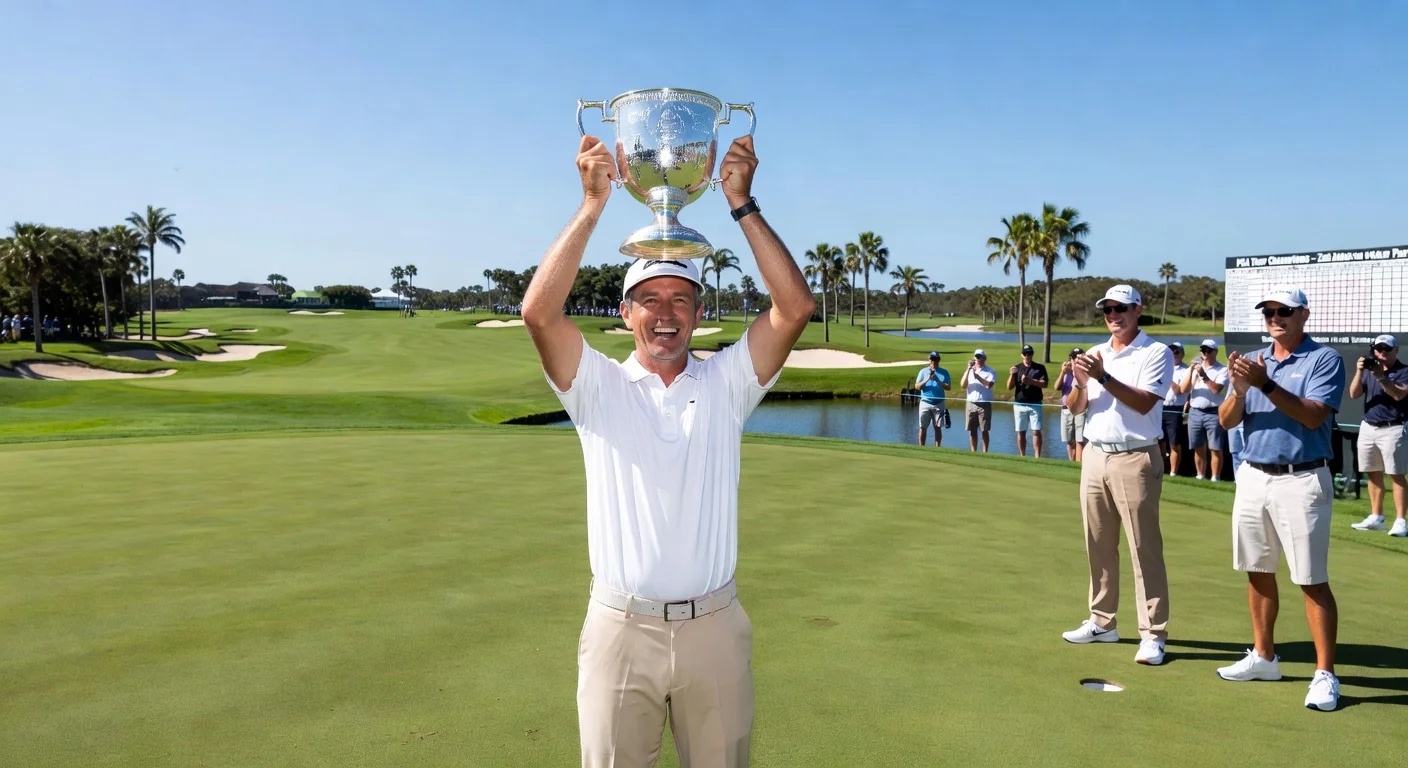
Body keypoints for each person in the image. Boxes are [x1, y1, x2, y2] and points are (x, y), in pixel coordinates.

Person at [522, 133, 814, 765]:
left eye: (680, 298)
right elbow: (540, 314)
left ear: (698, 312)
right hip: (620, 630)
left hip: (713, 628)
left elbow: (793, 309)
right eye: (649, 299)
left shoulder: (727, 382)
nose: (664, 313)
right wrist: (593, 205)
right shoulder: (597, 386)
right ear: (626, 313)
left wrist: (741, 202)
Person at [1215, 286, 1345, 712]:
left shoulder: (1323, 359)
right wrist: (1237, 389)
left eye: (1284, 311)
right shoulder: (1253, 362)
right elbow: (1227, 419)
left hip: (1302, 478)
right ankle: (1264, 656)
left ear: (1303, 314)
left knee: (1311, 579)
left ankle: (1325, 673)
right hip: (1253, 475)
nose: (1275, 317)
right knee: (1257, 569)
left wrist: (1264, 383)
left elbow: (1312, 415)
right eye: (1269, 311)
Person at [1061, 284, 1173, 666]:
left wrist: (1103, 377)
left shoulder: (1155, 353)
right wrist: (1079, 382)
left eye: (1121, 308)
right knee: (1098, 544)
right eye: (1107, 309)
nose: (1113, 315)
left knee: (1144, 549)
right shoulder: (1094, 353)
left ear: (1138, 309)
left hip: (1136, 457)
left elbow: (1144, 404)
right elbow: (1076, 408)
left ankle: (1154, 633)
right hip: (1094, 455)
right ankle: (1102, 621)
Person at [1347, 334, 1408, 537]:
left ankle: (1400, 521)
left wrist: (1381, 376)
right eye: (1378, 348)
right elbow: (1354, 394)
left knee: (1396, 475)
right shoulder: (1369, 370)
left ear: (1395, 351)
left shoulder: (1404, 371)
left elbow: (1398, 394)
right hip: (1368, 426)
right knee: (1373, 472)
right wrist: (1359, 371)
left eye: (1386, 349)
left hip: (1393, 427)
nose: (1382, 352)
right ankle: (1377, 517)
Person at [1184, 339, 1230, 480]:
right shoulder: (1194, 369)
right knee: (1197, 446)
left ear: (1215, 352)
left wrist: (1203, 375)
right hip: (1195, 411)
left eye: (1209, 350)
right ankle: (1200, 475)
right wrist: (1191, 371)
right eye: (1203, 350)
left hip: (1213, 412)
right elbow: (1184, 389)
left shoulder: (1222, 370)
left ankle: (1215, 477)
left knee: (1215, 447)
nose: (1205, 353)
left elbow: (1216, 390)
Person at [1008, 344, 1049, 457]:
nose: (1028, 356)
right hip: (1020, 404)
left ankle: (1037, 457)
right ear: (1022, 355)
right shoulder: (1017, 368)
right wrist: (1012, 375)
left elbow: (1044, 384)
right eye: (1025, 354)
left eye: (1030, 354)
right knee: (1021, 432)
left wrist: (1030, 381)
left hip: (1035, 404)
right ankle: (1022, 456)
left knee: (1036, 431)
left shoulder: (1040, 368)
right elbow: (1009, 387)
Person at [1160, 342, 1191, 475]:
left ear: (1182, 353)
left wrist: (1167, 376)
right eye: (1171, 352)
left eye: (1177, 352)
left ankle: (1173, 472)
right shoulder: (1161, 367)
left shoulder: (1185, 370)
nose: (1174, 355)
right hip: (1160, 408)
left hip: (1175, 410)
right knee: (1160, 443)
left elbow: (1179, 391)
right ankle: (1161, 469)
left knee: (1174, 443)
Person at [960, 349, 996, 452]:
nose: (978, 359)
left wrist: (977, 376)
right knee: (972, 429)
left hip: (984, 403)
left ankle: (985, 451)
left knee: (984, 430)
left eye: (980, 357)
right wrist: (968, 370)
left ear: (984, 359)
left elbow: (989, 385)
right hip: (971, 403)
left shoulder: (990, 371)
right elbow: (963, 385)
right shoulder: (969, 371)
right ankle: (973, 451)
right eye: (977, 357)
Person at [915, 351, 951, 447]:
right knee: (923, 426)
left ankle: (937, 448)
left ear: (938, 360)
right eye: (932, 359)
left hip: (939, 403)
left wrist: (938, 381)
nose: (933, 361)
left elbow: (948, 387)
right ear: (929, 360)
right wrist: (925, 380)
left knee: (938, 427)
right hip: (925, 403)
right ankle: (921, 447)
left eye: (935, 359)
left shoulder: (944, 372)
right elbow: (917, 386)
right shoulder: (923, 372)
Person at [1058, 347, 1087, 461]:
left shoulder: (1086, 372)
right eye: (1073, 357)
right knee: (1070, 440)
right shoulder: (1066, 373)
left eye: (1078, 357)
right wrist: (1063, 372)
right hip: (1066, 409)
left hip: (1081, 410)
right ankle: (1071, 463)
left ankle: (1079, 463)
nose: (1074, 360)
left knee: (1080, 440)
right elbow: (1057, 387)